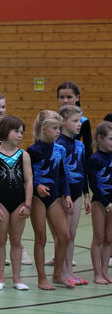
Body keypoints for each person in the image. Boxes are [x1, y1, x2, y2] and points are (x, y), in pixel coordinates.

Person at [27, 110, 74, 290]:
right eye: (54, 128)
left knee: (65, 236)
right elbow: (27, 176)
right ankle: (41, 278)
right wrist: (37, 186)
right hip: (38, 197)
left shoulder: (60, 149)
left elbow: (62, 174)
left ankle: (57, 274)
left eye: (59, 128)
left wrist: (67, 194)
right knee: (41, 237)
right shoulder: (33, 150)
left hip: (54, 197)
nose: (58, 132)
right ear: (44, 129)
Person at [0, 115, 33, 291]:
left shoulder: (24, 155)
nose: (20, 135)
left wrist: (27, 204)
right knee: (0, 240)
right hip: (1, 202)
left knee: (16, 240)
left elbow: (29, 180)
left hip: (19, 202)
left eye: (21, 132)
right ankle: (0, 278)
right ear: (5, 131)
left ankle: (17, 278)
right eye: (16, 131)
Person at [54, 104, 90, 285]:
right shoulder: (58, 145)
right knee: (64, 235)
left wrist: (86, 194)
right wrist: (63, 194)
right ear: (63, 122)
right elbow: (58, 173)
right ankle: (61, 271)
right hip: (63, 194)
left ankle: (69, 270)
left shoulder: (79, 145)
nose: (79, 124)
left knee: (72, 233)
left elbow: (83, 170)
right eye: (75, 121)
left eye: (80, 121)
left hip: (76, 193)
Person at [86, 121, 112, 284]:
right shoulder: (94, 159)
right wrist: (106, 203)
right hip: (100, 203)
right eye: (111, 139)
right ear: (100, 138)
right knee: (99, 238)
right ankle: (97, 273)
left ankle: (105, 271)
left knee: (109, 239)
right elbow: (94, 184)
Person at [57, 81, 92, 156]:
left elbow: (88, 148)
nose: (65, 101)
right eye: (62, 97)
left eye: (69, 97)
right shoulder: (52, 119)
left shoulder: (83, 121)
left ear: (77, 98)